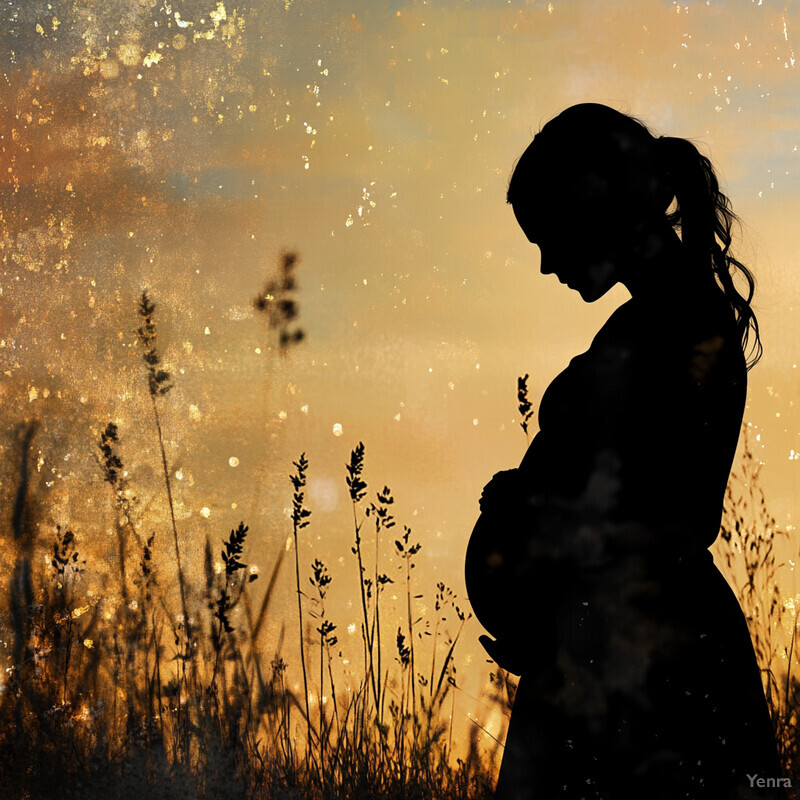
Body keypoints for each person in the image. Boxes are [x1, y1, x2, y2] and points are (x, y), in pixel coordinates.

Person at [464, 103, 786, 799]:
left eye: (548, 237)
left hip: (647, 669)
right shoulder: (653, 319)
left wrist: (550, 574)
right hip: (600, 649)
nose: (548, 265)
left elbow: (676, 514)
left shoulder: (686, 324)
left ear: (595, 209)